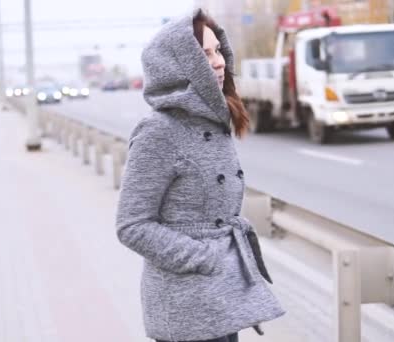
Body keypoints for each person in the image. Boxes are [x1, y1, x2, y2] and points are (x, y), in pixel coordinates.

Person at [115, 9, 285, 342]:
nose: (220, 61)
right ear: (179, 65)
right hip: (185, 310)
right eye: (204, 54)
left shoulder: (213, 122)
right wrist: (207, 257)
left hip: (219, 301)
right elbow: (132, 225)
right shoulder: (159, 131)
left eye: (218, 50)